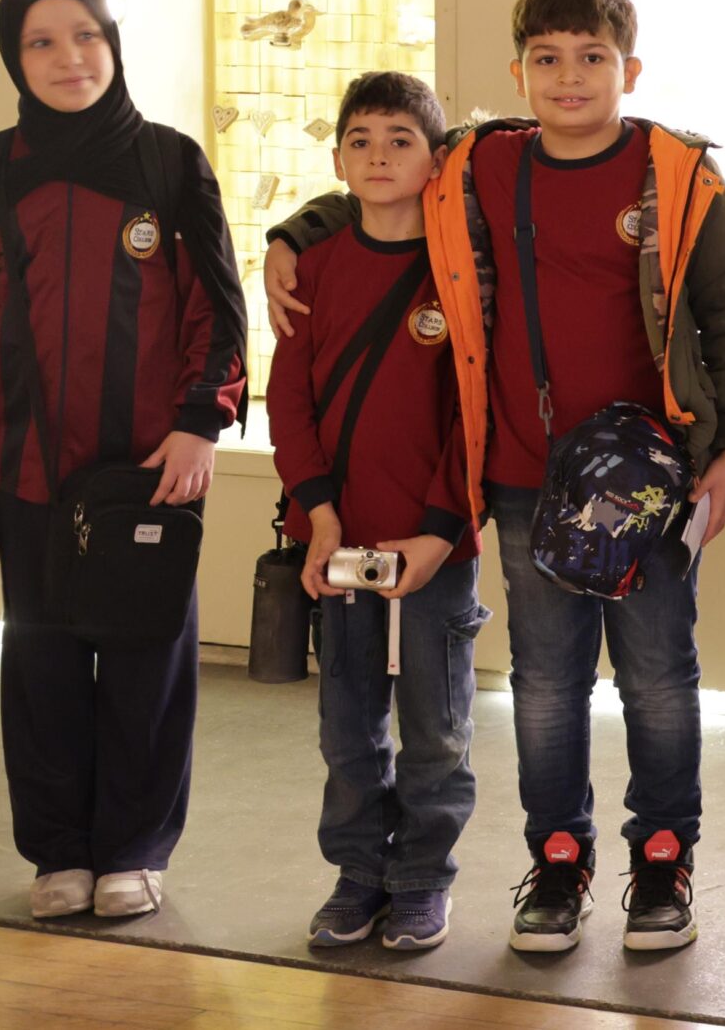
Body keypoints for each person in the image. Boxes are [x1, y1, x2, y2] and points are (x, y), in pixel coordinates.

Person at [263, 0, 725, 955]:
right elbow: (381, 176)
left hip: (651, 480)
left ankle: (662, 859)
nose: (569, 76)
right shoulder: (481, 163)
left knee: (660, 673)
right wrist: (295, 231)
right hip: (525, 475)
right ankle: (558, 862)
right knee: (544, 680)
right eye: (547, 59)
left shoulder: (680, 173)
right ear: (518, 71)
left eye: (591, 57)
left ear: (630, 67)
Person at [0, 0, 246, 921]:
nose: (70, 58)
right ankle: (59, 852)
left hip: (150, 468)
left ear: (114, 42)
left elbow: (219, 312)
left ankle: (134, 852)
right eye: (41, 43)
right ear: (14, 59)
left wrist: (199, 423)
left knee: (147, 664)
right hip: (24, 468)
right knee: (43, 662)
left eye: (87, 36)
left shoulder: (171, 164)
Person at [271, 71, 483, 953]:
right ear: (336, 160)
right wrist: (317, 516)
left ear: (436, 159)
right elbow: (290, 406)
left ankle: (422, 879)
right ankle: (360, 874)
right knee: (348, 723)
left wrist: (438, 531)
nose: (379, 155)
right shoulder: (312, 269)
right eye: (360, 140)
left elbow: (473, 412)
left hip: (434, 545)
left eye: (400, 139)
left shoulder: (460, 273)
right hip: (339, 542)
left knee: (437, 728)